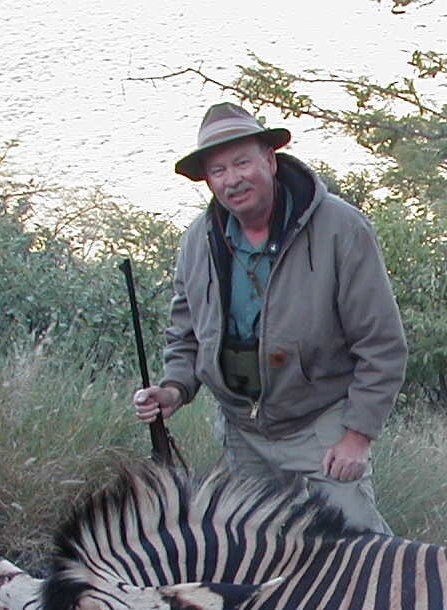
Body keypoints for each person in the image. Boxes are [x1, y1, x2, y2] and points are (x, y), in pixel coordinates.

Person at [134, 102, 406, 533]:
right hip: (243, 428)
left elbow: (382, 344)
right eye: (218, 170)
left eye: (242, 162)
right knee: (256, 551)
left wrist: (357, 436)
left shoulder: (341, 228)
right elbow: (185, 332)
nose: (232, 179)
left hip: (321, 422)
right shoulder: (197, 242)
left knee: (360, 548)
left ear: (270, 160)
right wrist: (172, 389)